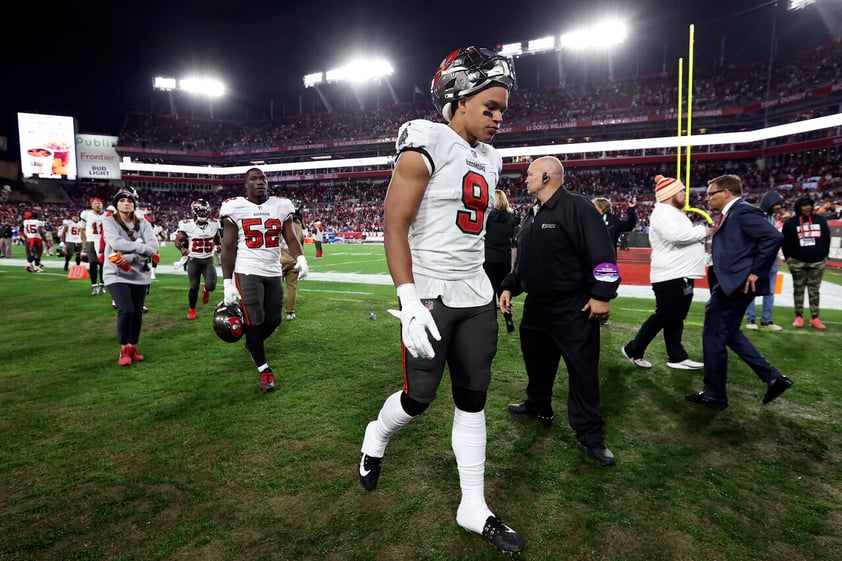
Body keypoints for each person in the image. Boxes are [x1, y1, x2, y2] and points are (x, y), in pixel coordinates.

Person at [357, 46, 525, 553]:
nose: (499, 118)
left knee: (473, 400)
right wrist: (407, 301)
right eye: (490, 107)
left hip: (474, 290)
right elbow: (395, 223)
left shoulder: (491, 157)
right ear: (457, 98)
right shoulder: (425, 138)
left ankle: (472, 505)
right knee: (419, 399)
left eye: (502, 110)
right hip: (429, 291)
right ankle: (376, 434)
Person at [500, 156, 620, 468]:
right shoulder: (533, 213)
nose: (524, 180)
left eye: (528, 175)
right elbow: (527, 262)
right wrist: (510, 285)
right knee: (536, 362)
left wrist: (603, 295)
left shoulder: (578, 207)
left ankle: (590, 434)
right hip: (537, 307)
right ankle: (539, 405)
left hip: (572, 307)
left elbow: (604, 253)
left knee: (582, 371)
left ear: (545, 177)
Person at [686, 175, 792, 408]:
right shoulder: (735, 213)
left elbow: (773, 237)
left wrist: (756, 272)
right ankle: (773, 377)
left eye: (711, 193)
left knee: (713, 335)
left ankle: (715, 394)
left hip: (736, 284)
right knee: (730, 333)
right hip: (732, 283)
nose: (707, 199)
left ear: (726, 192)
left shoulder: (743, 211)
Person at [219, 167, 309, 392]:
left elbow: (289, 235)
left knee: (274, 320)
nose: (260, 182)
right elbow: (228, 247)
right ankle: (264, 370)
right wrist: (227, 282)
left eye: (263, 178)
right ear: (246, 184)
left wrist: (300, 258)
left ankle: (252, 344)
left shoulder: (281, 205)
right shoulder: (234, 207)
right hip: (247, 270)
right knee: (254, 319)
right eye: (254, 179)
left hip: (273, 270)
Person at [621, 175, 707, 370]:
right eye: (682, 191)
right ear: (671, 194)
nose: (685, 194)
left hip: (679, 273)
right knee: (665, 315)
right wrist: (704, 231)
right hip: (671, 274)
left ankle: (677, 356)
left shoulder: (673, 212)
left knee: (675, 317)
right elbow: (677, 237)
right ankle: (634, 349)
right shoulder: (664, 213)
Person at [102, 187, 159, 366]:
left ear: (134, 204)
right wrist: (142, 248)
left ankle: (132, 346)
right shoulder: (110, 222)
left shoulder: (143, 223)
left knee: (136, 313)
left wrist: (131, 255)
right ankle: (123, 349)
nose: (126, 204)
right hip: (116, 272)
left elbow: (154, 245)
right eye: (122, 201)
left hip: (140, 273)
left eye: (129, 201)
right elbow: (116, 243)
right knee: (125, 310)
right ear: (116, 205)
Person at [781, 196, 831, 330]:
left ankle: (815, 318)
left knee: (814, 291)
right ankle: (799, 316)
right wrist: (789, 259)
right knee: (798, 290)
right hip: (797, 262)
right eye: (805, 205)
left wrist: (824, 256)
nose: (808, 207)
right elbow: (784, 243)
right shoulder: (790, 223)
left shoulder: (820, 220)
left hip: (817, 262)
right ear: (798, 207)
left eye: (810, 205)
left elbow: (827, 238)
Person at [173, 199, 221, 320]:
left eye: (205, 211)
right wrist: (182, 248)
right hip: (194, 260)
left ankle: (206, 289)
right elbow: (178, 240)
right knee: (193, 287)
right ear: (194, 212)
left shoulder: (214, 224)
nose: (203, 214)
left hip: (208, 260)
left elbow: (217, 238)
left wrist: (219, 245)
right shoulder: (188, 225)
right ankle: (192, 309)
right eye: (200, 211)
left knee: (211, 285)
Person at [745, 191, 785, 331]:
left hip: (772, 259)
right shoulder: (756, 216)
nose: (779, 206)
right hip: (757, 257)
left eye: (780, 204)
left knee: (770, 290)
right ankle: (750, 318)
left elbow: (774, 240)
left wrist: (778, 254)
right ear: (769, 202)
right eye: (777, 204)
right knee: (752, 288)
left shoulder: (774, 218)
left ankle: (766, 320)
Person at [483, 189, 519, 333]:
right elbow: (514, 237)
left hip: (489, 257)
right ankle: (508, 318)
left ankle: (492, 323)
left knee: (490, 291)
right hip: (504, 257)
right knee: (504, 289)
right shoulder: (512, 217)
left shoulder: (489, 217)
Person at [280, 200, 306, 320]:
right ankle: (289, 312)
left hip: (279, 259)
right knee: (292, 287)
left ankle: (275, 310)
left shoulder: (280, 222)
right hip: (293, 260)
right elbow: (300, 245)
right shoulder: (299, 225)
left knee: (276, 287)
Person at [80, 197, 106, 294]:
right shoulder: (86, 214)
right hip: (91, 240)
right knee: (93, 263)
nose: (97, 205)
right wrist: (85, 242)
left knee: (103, 264)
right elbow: (82, 229)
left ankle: (102, 284)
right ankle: (94, 285)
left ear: (102, 204)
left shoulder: (108, 214)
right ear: (91, 205)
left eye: (99, 203)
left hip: (104, 241)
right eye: (95, 203)